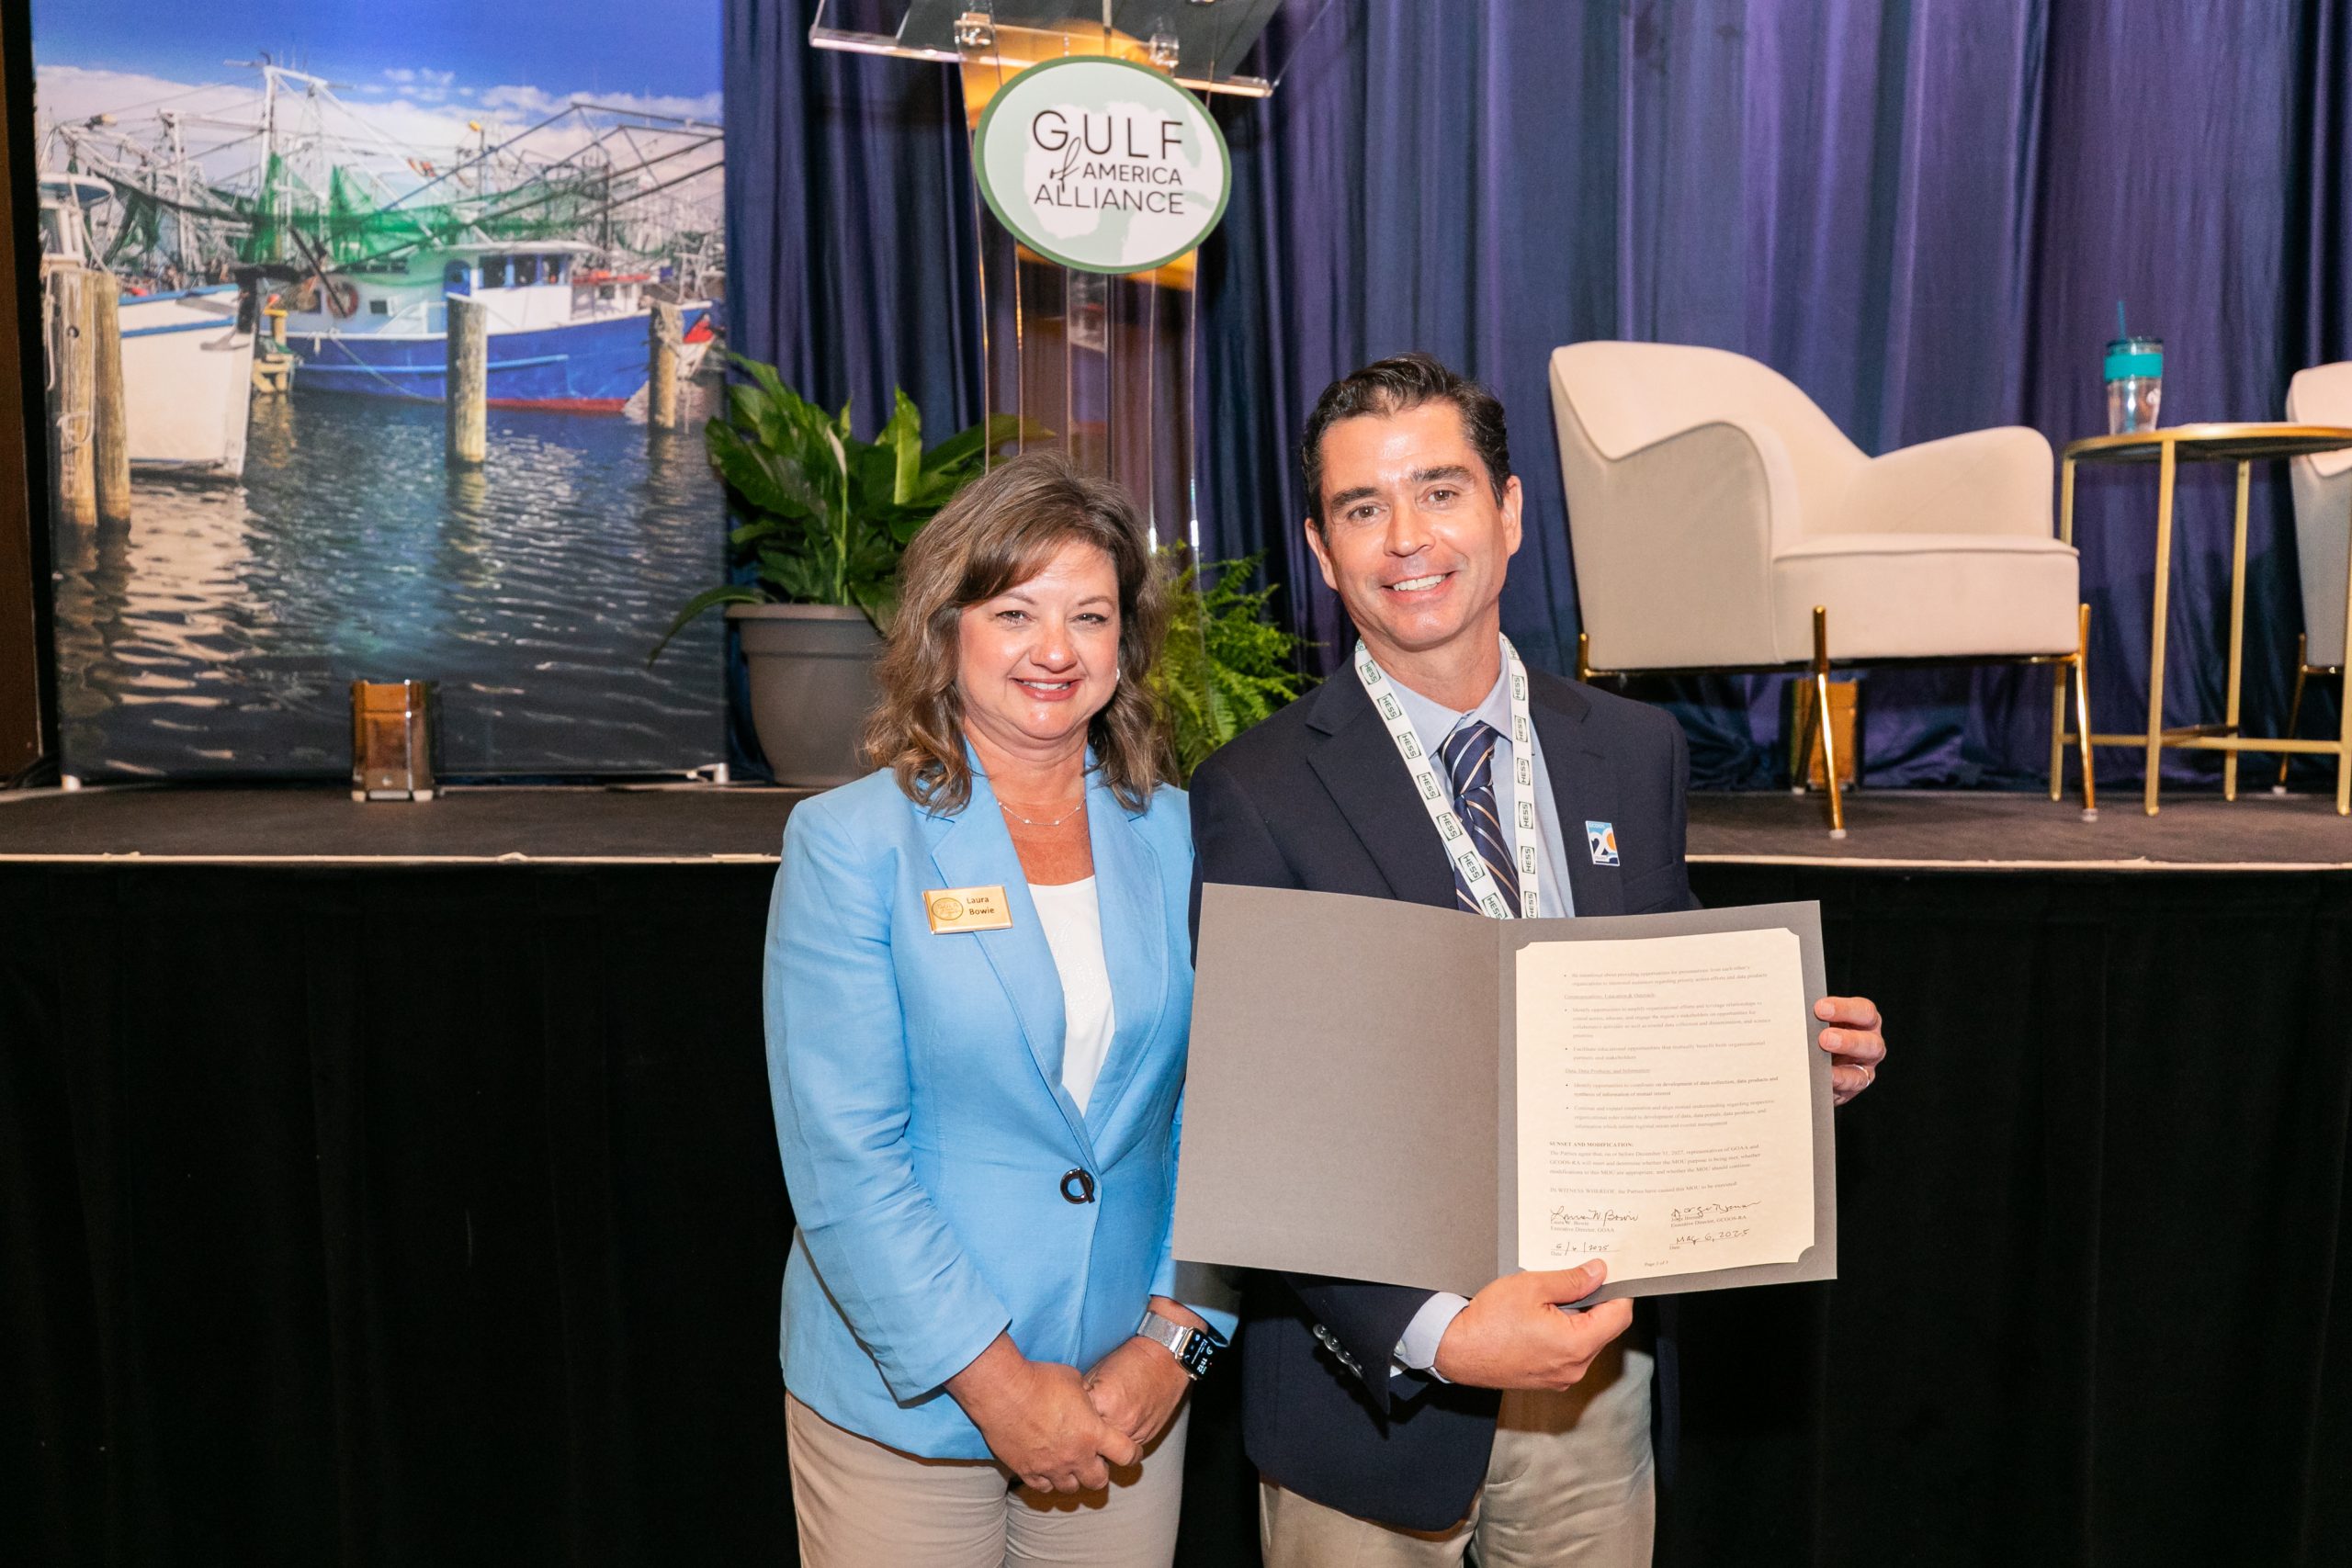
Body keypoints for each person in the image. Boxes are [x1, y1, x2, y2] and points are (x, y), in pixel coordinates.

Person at [1188, 354, 1889, 1566]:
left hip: (1589, 1384)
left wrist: (1780, 1067)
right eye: (1364, 507)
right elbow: (1270, 1134)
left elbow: (1660, 999)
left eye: (1443, 490)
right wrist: (1439, 1335)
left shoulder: (1633, 748)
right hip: (1370, 1403)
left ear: (1510, 513)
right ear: (1321, 544)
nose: (1408, 536)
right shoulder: (1256, 790)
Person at [766, 452, 1235, 1567]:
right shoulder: (849, 846)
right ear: (948, 629)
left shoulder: (1187, 838)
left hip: (1129, 1396)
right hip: (908, 1404)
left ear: (1127, 649)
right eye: (1015, 611)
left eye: (1091, 615)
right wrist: (999, 1386)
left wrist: (1180, 1340)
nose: (1055, 649)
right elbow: (845, 1163)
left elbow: (1227, 1122)